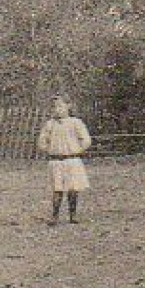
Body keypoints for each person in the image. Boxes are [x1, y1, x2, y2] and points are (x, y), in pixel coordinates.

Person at [36, 95, 92, 225]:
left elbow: (86, 140)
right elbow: (42, 141)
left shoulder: (75, 122)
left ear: (68, 106)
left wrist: (77, 150)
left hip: (72, 160)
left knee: (73, 189)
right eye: (54, 107)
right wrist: (50, 150)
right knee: (57, 189)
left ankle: (73, 215)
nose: (57, 109)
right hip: (56, 161)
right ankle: (55, 216)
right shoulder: (50, 124)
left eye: (60, 106)